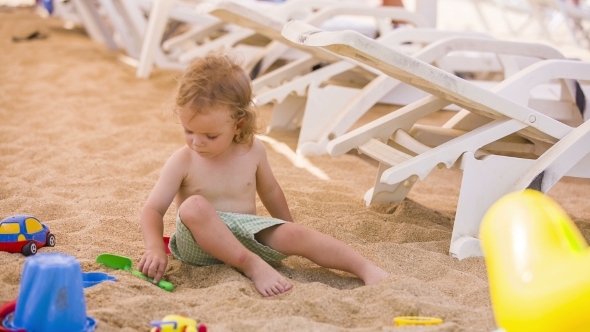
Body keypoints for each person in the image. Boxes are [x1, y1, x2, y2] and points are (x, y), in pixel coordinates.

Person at [138, 53, 389, 297]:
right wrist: (154, 249)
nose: (197, 142)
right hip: (199, 245)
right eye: (188, 131)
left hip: (248, 238)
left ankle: (363, 267)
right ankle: (252, 266)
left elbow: (270, 191)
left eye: (210, 136)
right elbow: (153, 209)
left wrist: (288, 228)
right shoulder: (183, 160)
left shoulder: (253, 150)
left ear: (238, 125)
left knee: (298, 234)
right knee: (193, 207)